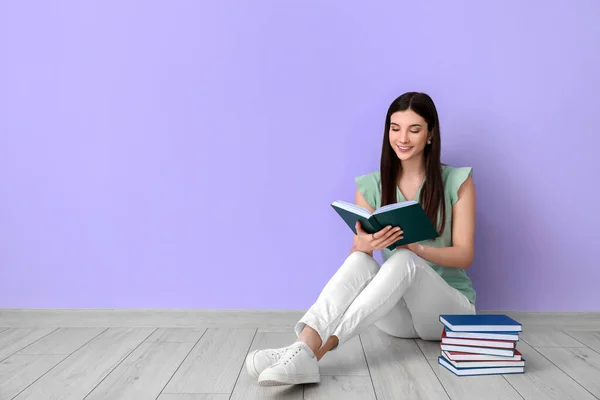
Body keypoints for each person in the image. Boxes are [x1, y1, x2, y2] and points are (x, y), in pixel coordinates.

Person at [245, 91, 477, 387]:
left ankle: (314, 354)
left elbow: (464, 255)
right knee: (360, 260)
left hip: (447, 315)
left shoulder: (457, 180)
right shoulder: (371, 185)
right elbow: (361, 257)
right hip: (398, 319)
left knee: (405, 258)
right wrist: (364, 246)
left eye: (414, 129)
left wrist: (415, 247)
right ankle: (302, 344)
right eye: (395, 129)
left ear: (430, 135)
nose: (402, 138)